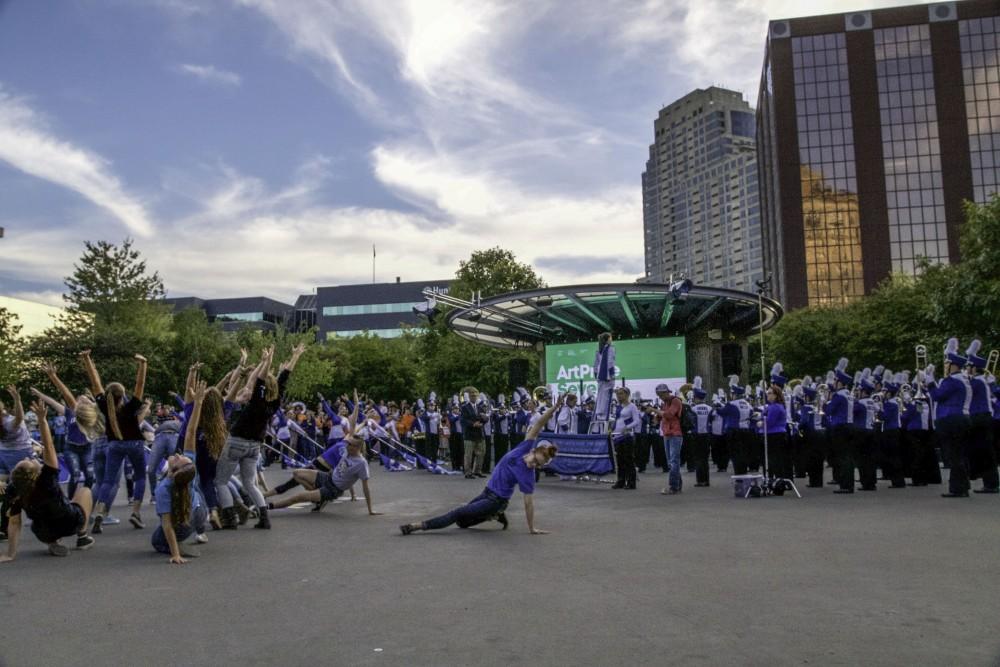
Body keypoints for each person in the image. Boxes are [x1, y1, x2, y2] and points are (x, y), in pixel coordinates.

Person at [399, 396, 563, 536]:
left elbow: (529, 503)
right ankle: (494, 516)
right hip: (487, 492)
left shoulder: (528, 476)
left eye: (538, 465)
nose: (533, 465)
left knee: (457, 512)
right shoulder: (524, 446)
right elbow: (540, 423)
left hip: (496, 501)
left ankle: (417, 526)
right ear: (533, 451)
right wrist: (554, 408)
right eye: (535, 460)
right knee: (462, 523)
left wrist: (532, 528)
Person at [217, 344, 305, 530]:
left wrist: (268, 361)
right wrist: (295, 356)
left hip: (237, 440)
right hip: (255, 445)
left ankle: (229, 517)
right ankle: (264, 517)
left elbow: (260, 378)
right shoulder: (275, 403)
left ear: (263, 386)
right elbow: (284, 376)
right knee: (250, 482)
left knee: (221, 481)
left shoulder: (257, 399)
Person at [1, 400, 95, 561]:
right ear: (35, 473)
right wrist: (42, 420)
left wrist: (10, 554)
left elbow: (14, 523)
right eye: (28, 460)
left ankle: (52, 542)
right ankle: (83, 536)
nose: (27, 457)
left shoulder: (14, 489)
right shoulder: (47, 478)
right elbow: (50, 447)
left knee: (44, 518)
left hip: (43, 532)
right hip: (69, 522)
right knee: (84, 491)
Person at [83, 350, 150, 532]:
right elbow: (140, 383)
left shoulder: (104, 406)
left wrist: (87, 359)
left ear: (108, 394)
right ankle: (135, 512)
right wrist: (142, 364)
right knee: (140, 476)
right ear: (123, 395)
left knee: (107, 481)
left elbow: (95, 382)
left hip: (114, 445)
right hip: (135, 444)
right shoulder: (132, 406)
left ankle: (100, 512)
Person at [152, 382, 209, 564]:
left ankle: (176, 545)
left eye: (177, 458)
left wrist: (174, 554)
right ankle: (196, 530)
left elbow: (167, 524)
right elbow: (190, 432)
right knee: (197, 491)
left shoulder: (163, 489)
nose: (177, 454)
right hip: (199, 513)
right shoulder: (188, 471)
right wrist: (198, 404)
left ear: (174, 472)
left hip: (185, 522)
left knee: (156, 540)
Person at [265, 433, 380, 517]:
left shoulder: (361, 463)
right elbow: (352, 427)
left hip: (333, 489)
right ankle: (317, 496)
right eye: (348, 443)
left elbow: (366, 487)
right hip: (327, 477)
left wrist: (370, 509)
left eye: (351, 444)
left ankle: (266, 508)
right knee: (296, 473)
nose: (347, 445)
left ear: (357, 448)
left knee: (298, 497)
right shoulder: (346, 449)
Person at [928, 339, 974, 498]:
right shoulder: (964, 379)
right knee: (960, 455)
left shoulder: (952, 380)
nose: (945, 364)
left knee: (954, 456)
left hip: (952, 419)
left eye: (947, 362)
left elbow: (937, 396)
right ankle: (963, 486)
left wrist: (929, 381)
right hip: (963, 418)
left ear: (953, 364)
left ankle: (957, 489)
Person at [612, 387, 643, 490]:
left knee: (628, 459)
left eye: (621, 394)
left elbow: (636, 421)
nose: (619, 396)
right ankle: (620, 481)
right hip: (617, 436)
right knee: (619, 460)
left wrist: (627, 428)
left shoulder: (632, 406)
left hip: (627, 436)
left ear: (627, 395)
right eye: (618, 394)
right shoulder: (618, 407)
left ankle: (631, 482)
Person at [655, 384, 683, 494]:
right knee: (671, 462)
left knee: (674, 461)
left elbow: (669, 415)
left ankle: (673, 487)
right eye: (659, 395)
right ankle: (677, 485)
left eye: (661, 394)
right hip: (667, 434)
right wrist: (657, 417)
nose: (660, 396)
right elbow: (663, 416)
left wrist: (654, 410)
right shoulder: (665, 403)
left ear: (667, 392)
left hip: (675, 434)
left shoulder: (675, 401)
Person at [460, 387, 487, 479]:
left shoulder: (480, 407)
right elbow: (463, 420)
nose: (474, 397)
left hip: (479, 433)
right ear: (470, 397)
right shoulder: (465, 407)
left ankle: (477, 470)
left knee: (481, 453)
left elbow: (485, 418)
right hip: (469, 434)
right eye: (472, 396)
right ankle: (468, 472)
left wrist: (483, 420)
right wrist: (473, 424)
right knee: (468, 454)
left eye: (475, 396)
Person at [593, 333, 616, 424]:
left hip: (600, 377)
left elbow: (595, 365)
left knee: (600, 395)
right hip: (607, 377)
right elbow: (610, 362)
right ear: (608, 339)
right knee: (606, 397)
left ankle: (599, 414)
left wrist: (596, 375)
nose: (612, 340)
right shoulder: (611, 349)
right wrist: (612, 374)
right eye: (611, 338)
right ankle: (603, 416)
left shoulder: (599, 350)